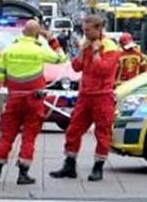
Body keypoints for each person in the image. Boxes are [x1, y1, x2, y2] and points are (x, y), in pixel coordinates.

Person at [0, 20, 67, 185]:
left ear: (22, 32)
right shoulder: (40, 49)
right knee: (29, 136)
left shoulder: (9, 50)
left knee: (7, 135)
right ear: (37, 34)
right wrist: (52, 40)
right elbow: (61, 58)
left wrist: (10, 83)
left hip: (14, 98)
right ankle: (23, 174)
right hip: (34, 99)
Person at [49, 15, 120, 182]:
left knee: (102, 133)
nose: (85, 33)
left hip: (102, 96)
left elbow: (102, 70)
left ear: (98, 29)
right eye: (84, 29)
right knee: (73, 130)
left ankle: (98, 167)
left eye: (88, 30)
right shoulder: (86, 43)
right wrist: (82, 51)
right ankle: (69, 165)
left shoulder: (110, 47)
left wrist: (95, 51)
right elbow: (76, 67)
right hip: (85, 95)